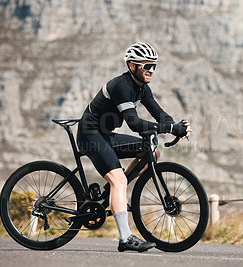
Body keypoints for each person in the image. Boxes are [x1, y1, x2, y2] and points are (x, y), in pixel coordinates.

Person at [77, 42, 191, 252]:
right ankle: (125, 238)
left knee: (153, 153)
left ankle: (110, 192)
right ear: (132, 65)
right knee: (119, 180)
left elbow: (159, 114)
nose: (151, 70)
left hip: (106, 135)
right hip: (90, 135)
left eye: (154, 66)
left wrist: (176, 126)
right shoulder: (122, 86)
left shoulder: (142, 89)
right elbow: (134, 123)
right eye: (147, 65)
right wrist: (169, 128)